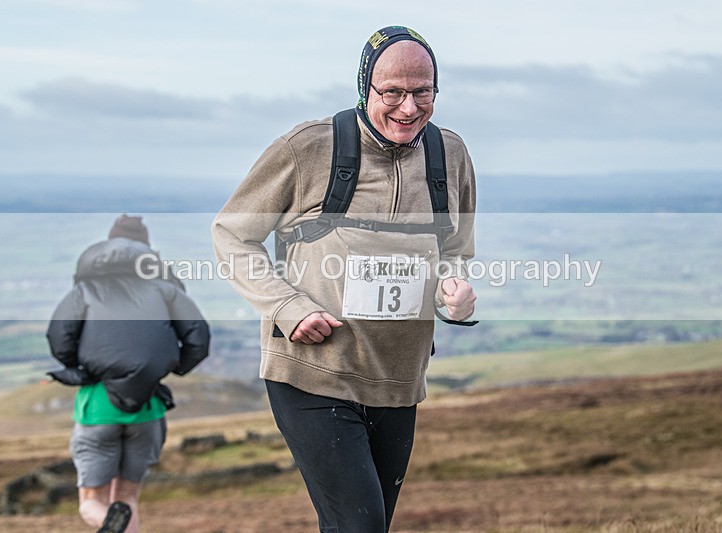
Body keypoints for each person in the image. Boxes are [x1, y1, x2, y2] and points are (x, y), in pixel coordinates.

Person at [212, 26, 476, 532]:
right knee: (360, 527)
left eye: (423, 93)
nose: (408, 107)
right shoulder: (308, 148)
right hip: (313, 373)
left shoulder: (451, 155)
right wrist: (288, 308)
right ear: (365, 88)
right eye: (392, 93)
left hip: (399, 379)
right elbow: (231, 235)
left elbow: (455, 251)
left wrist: (454, 296)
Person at [47, 214, 210, 533]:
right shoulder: (165, 288)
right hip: (149, 406)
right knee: (127, 498)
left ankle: (108, 524)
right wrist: (174, 367)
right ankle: (118, 523)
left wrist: (81, 367)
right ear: (147, 248)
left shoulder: (86, 289)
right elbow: (198, 338)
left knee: (92, 501)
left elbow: (59, 336)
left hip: (98, 406)